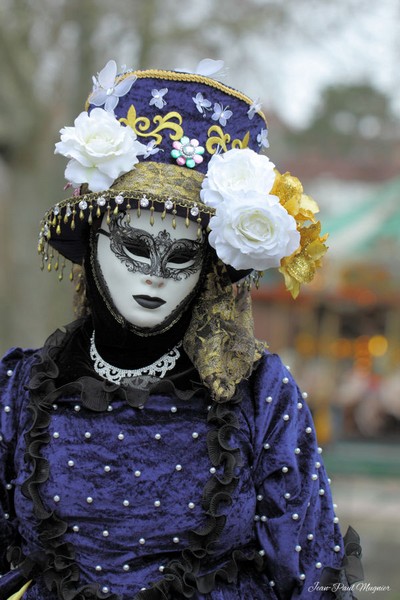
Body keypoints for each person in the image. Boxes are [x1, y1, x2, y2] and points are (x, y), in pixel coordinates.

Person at [0, 59, 362, 600]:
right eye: (136, 246)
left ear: (209, 268)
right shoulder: (20, 389)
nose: (154, 275)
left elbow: (311, 575)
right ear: (92, 245)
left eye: (183, 255)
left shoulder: (258, 393)